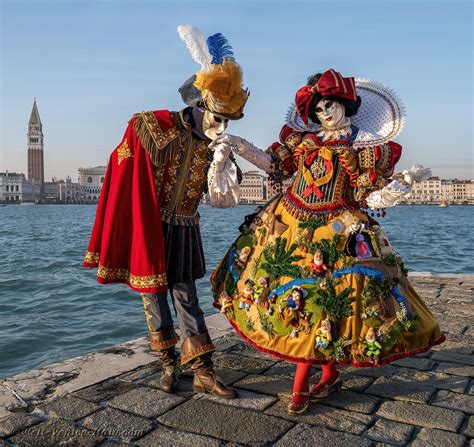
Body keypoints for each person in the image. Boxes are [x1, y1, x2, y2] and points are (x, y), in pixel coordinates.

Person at [211, 69, 444, 414]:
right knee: (303, 304)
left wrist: (401, 185)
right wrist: (238, 145)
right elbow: (274, 165)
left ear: (346, 104)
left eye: (331, 105)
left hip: (340, 232)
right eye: (319, 109)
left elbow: (370, 197)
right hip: (290, 225)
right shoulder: (303, 141)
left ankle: (302, 386)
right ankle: (328, 374)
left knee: (326, 306)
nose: (325, 113)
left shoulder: (363, 149)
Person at [83, 25, 248, 399]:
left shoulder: (216, 145)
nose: (220, 127)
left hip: (186, 226)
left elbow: (223, 197)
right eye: (216, 118)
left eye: (226, 121)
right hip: (151, 227)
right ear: (199, 105)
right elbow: (124, 164)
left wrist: (223, 163)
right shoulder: (155, 127)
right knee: (153, 296)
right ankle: (168, 364)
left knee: (186, 295)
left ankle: (203, 370)